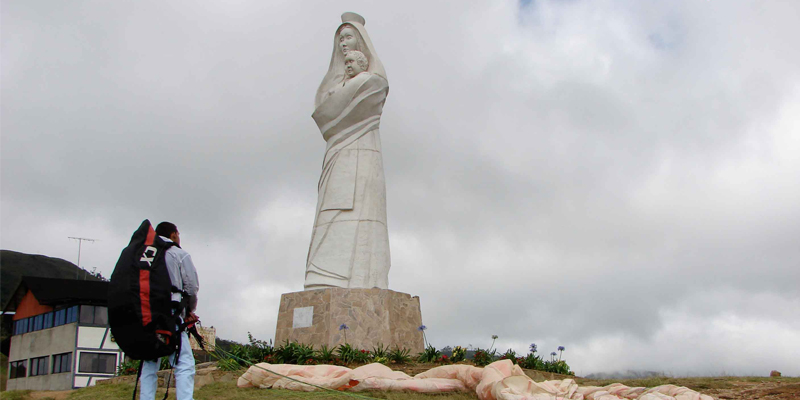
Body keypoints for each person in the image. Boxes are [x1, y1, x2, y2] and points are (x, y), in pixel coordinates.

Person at [305, 13, 391, 290]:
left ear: (362, 44)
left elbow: (333, 114)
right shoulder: (334, 86)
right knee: (331, 212)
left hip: (363, 151)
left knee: (360, 212)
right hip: (337, 154)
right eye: (340, 39)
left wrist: (336, 110)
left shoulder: (373, 83)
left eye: (349, 37)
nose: (343, 45)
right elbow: (322, 115)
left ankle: (360, 281)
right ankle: (323, 277)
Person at [139, 222, 199, 400]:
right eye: (178, 234)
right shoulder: (178, 253)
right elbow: (192, 287)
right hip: (170, 316)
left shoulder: (143, 254)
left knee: (150, 362)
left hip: (145, 315)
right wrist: (188, 310)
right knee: (184, 363)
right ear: (173, 234)